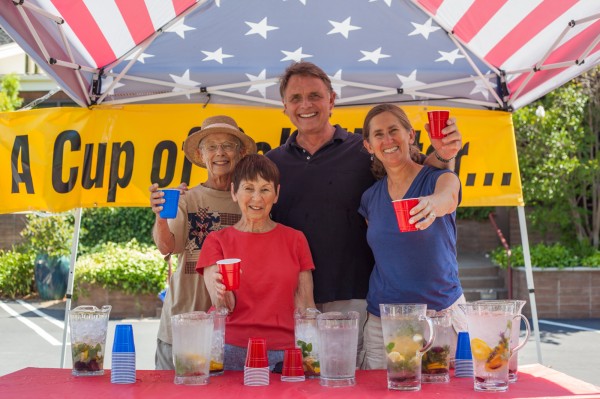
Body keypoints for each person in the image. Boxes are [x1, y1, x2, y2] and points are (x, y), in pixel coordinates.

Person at [265, 61, 463, 365]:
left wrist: (444, 157)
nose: (306, 105)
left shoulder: (363, 149)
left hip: (358, 298)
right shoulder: (272, 163)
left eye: (315, 96)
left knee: (358, 384)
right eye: (295, 98)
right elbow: (248, 207)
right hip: (298, 299)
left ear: (331, 100)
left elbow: (426, 176)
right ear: (284, 106)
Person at [358, 103, 466, 369]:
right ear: (369, 146)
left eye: (394, 130)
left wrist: (432, 205)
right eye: (379, 134)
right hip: (384, 321)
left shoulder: (438, 178)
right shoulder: (370, 198)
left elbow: (448, 197)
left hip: (439, 315)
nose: (388, 140)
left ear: (411, 135)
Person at [149, 115, 256, 370]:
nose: (220, 153)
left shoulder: (251, 200)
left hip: (232, 329)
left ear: (240, 152)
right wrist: (161, 217)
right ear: (201, 153)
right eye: (212, 146)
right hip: (181, 321)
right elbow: (168, 247)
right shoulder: (187, 199)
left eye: (228, 146)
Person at [196, 154, 316, 370]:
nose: (257, 198)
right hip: (230, 351)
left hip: (285, 354)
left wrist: (312, 355)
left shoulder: (296, 240)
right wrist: (222, 292)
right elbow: (222, 306)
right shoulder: (216, 241)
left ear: (276, 194)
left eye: (265, 189)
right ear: (234, 192)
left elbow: (306, 305)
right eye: (249, 188)